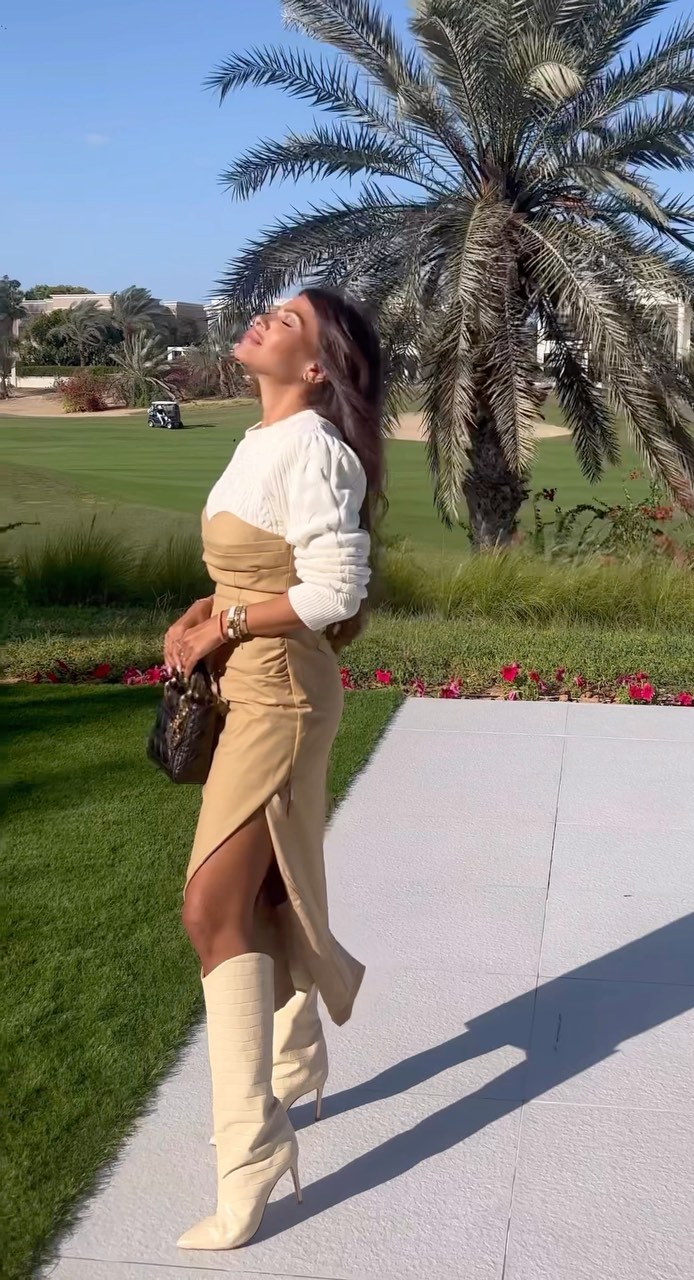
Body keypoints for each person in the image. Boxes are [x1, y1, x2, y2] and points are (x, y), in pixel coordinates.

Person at [164, 288, 383, 1251]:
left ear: (317, 367)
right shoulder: (261, 440)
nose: (263, 318)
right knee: (256, 894)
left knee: (210, 906)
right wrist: (201, 613)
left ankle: (252, 1153)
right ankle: (294, 1054)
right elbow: (255, 570)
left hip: (284, 694)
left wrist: (230, 621)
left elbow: (336, 590)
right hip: (246, 684)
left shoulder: (316, 449)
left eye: (287, 321)